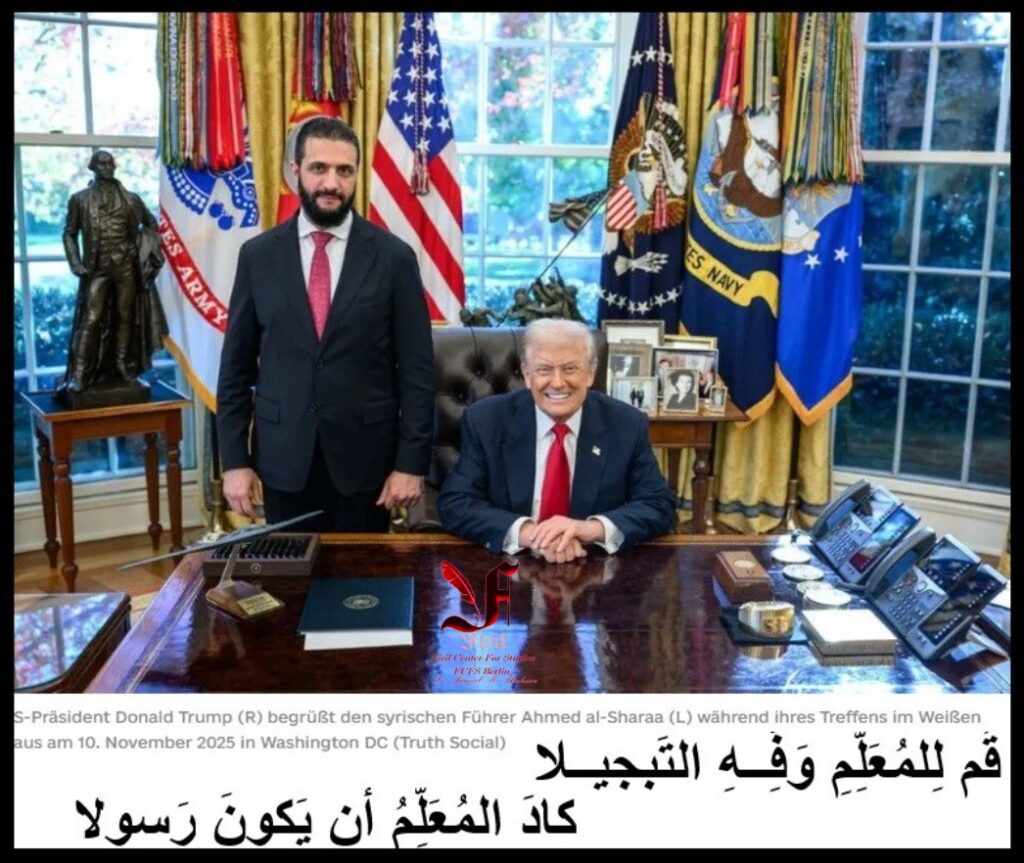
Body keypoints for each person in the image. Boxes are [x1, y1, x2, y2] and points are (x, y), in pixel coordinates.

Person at [216, 117, 434, 533]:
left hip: (367, 465)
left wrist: (410, 463)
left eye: (344, 171)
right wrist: (235, 462)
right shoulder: (258, 256)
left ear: (357, 175)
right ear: (295, 171)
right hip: (282, 462)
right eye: (319, 168)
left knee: (362, 576)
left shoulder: (394, 258)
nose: (331, 183)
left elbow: (418, 371)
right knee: (290, 572)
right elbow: (235, 371)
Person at [438, 319, 678, 561]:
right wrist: (528, 534)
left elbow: (658, 505)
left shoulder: (626, 424)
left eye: (570, 368)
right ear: (527, 374)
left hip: (594, 564)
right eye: (544, 370)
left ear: (590, 373)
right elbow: (456, 503)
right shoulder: (486, 420)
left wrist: (590, 529)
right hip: (508, 566)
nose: (557, 383)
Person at [60, 150, 167, 394]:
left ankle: (121, 365)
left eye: (110, 163)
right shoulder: (80, 199)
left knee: (125, 315)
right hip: (96, 268)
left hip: (126, 267)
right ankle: (79, 374)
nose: (108, 167)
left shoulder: (131, 199)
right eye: (102, 164)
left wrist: (141, 247)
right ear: (93, 167)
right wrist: (75, 262)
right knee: (91, 318)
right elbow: (69, 233)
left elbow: (151, 224)